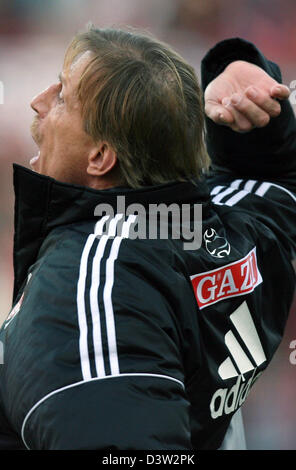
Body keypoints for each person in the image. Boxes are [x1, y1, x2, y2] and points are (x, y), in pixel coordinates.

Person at [0, 26, 294, 450]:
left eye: (63, 97)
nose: (38, 101)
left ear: (100, 157)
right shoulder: (238, 231)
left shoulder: (87, 282)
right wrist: (246, 90)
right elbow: (272, 180)